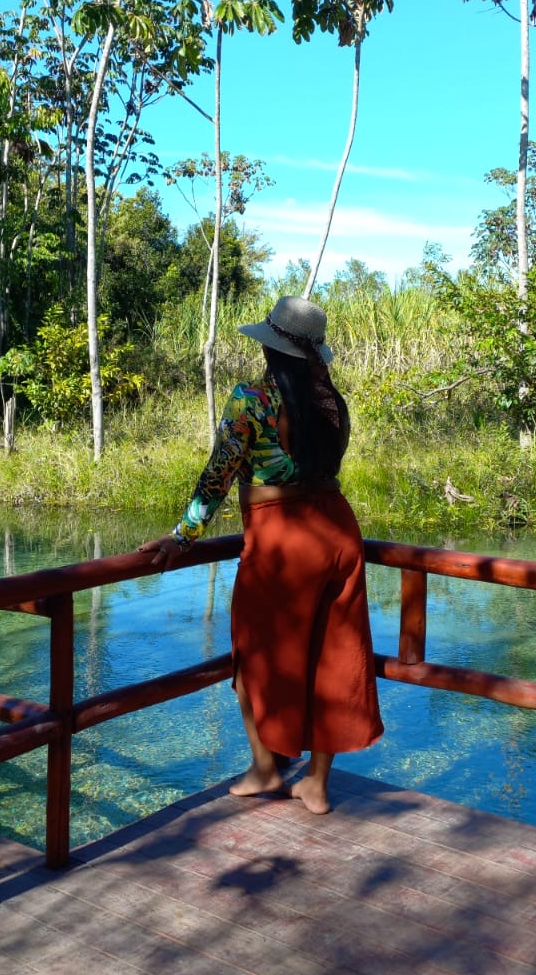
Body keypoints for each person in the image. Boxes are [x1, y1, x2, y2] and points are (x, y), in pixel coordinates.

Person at [139, 295, 383, 815]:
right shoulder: (331, 403)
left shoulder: (250, 399)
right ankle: (315, 783)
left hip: (282, 542)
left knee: (250, 653)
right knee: (334, 655)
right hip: (338, 531)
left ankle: (266, 767)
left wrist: (182, 537)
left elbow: (218, 476)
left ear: (271, 348)